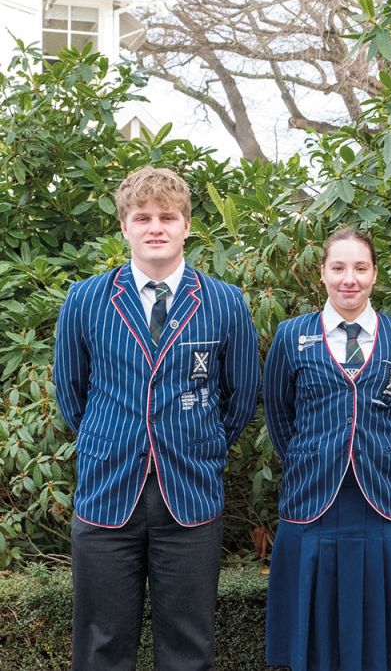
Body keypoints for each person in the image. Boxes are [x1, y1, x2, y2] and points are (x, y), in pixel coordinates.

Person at [53, 166, 261, 671]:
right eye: (142, 217)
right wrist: (113, 439)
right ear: (124, 226)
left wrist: (202, 443)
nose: (155, 227)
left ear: (186, 225)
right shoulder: (86, 299)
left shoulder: (225, 302)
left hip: (190, 493)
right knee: (100, 647)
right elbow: (71, 393)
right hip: (107, 492)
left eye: (167, 217)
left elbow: (240, 397)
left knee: (188, 647)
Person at [262, 227, 391, 671]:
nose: (349, 279)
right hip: (312, 500)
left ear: (375, 273)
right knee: (316, 632)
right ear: (321, 273)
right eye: (338, 267)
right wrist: (313, 456)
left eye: (360, 268)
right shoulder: (290, 335)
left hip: (382, 500)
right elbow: (280, 415)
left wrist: (372, 451)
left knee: (384, 633)